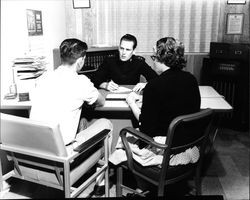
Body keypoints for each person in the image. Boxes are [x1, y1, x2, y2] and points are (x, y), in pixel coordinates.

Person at [30, 38, 114, 195]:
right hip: (64, 160)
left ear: (61, 57)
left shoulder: (42, 78)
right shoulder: (81, 81)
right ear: (81, 60)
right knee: (105, 123)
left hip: (35, 156)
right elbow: (101, 102)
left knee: (81, 121)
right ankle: (100, 182)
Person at [125, 37, 201, 195]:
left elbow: (145, 129)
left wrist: (132, 103)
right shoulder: (191, 79)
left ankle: (142, 186)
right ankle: (146, 186)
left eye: (154, 57)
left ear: (161, 59)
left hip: (166, 149)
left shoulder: (154, 86)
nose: (153, 62)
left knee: (122, 141)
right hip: (189, 145)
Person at [93, 34, 158, 92]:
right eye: (122, 48)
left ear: (134, 51)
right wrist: (105, 85)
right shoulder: (109, 61)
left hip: (132, 94)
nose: (123, 53)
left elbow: (157, 80)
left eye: (128, 50)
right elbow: (94, 79)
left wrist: (146, 84)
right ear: (118, 48)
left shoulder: (139, 62)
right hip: (112, 94)